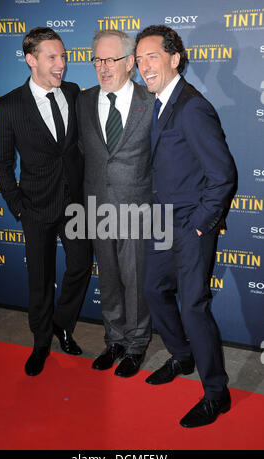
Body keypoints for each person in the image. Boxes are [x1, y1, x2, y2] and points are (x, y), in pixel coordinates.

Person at [135, 25, 236, 427]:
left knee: (193, 306)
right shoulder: (158, 102)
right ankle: (182, 356)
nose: (144, 67)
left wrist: (198, 225)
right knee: (153, 290)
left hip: (190, 225)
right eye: (140, 60)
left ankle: (217, 392)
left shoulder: (192, 106)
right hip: (161, 221)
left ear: (175, 59)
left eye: (152, 57)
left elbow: (223, 174)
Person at [0, 27, 92, 377]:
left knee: (80, 265)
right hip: (35, 205)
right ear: (31, 59)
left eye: (63, 55)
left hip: (75, 203)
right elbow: (1, 162)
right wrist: (17, 205)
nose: (62, 63)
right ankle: (40, 343)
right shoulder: (8, 105)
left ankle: (62, 324)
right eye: (53, 57)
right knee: (40, 277)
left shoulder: (74, 92)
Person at [76, 30, 154, 378]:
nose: (103, 68)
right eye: (97, 60)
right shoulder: (83, 100)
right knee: (108, 278)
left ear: (130, 64)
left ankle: (137, 345)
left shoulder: (151, 101)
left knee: (135, 279)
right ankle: (115, 340)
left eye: (110, 60)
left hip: (137, 208)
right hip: (96, 206)